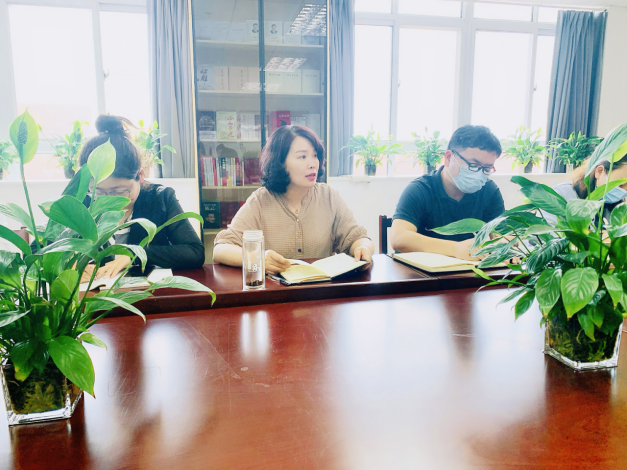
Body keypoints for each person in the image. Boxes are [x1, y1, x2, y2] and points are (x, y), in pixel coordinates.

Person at [213, 125, 374, 274]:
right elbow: (220, 250)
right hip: (276, 292)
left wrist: (362, 248)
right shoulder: (261, 201)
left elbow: (357, 237)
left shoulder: (329, 196)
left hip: (320, 290)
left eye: (315, 156)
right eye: (302, 156)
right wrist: (258, 258)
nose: (312, 164)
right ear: (280, 162)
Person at [80, 115, 205, 281]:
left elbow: (194, 252)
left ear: (140, 175)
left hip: (148, 293)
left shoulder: (160, 198)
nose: (110, 200)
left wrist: (136, 253)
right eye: (100, 192)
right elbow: (47, 250)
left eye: (120, 191)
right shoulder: (83, 203)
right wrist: (71, 265)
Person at [390, 125, 505, 261]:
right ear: (449, 158)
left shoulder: (489, 191)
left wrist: (504, 246)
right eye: (473, 165)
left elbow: (504, 235)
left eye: (486, 169)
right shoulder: (420, 190)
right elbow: (399, 238)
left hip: (470, 271)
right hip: (420, 271)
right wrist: (455, 249)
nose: (479, 174)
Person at [545, 154, 627, 225]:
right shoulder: (561, 194)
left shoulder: (618, 209)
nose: (623, 192)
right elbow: (546, 235)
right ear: (599, 171)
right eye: (620, 185)